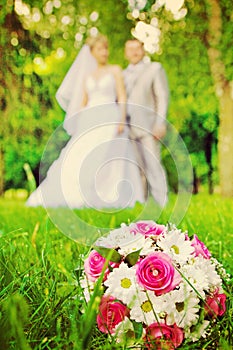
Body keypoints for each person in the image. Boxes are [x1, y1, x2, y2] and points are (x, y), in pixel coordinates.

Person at [26, 35, 144, 208]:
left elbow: (122, 96)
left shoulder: (115, 70)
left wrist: (121, 120)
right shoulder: (87, 75)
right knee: (79, 156)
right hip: (90, 119)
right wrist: (79, 120)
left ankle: (109, 194)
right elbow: (83, 101)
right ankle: (74, 192)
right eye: (100, 49)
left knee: (107, 156)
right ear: (91, 52)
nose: (104, 52)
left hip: (110, 117)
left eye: (106, 48)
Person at [124, 38, 169, 207]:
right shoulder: (122, 74)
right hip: (128, 129)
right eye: (130, 49)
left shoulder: (154, 69)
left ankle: (162, 201)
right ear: (126, 53)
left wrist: (160, 122)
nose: (134, 52)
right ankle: (141, 202)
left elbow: (162, 97)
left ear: (143, 50)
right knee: (137, 168)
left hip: (149, 126)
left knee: (154, 164)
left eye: (137, 48)